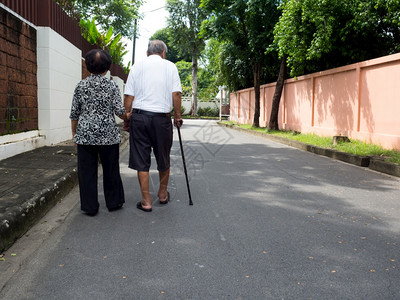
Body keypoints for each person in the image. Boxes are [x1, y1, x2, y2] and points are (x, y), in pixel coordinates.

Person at [124, 39, 182, 212]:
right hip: (162, 119)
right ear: (163, 53)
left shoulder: (137, 66)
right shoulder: (170, 66)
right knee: (163, 156)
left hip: (140, 118)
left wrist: (127, 116)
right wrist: (177, 117)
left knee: (141, 159)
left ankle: (146, 200)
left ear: (147, 53)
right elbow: (177, 93)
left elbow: (128, 95)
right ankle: (162, 194)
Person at [70, 49, 130, 216]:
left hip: (85, 135)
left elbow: (74, 113)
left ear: (87, 66)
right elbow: (119, 111)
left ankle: (89, 207)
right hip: (108, 136)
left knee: (86, 172)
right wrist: (128, 116)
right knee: (111, 169)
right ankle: (114, 202)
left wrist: (74, 133)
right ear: (106, 67)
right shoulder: (111, 85)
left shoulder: (80, 85)